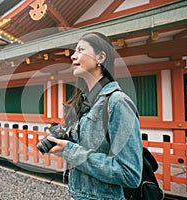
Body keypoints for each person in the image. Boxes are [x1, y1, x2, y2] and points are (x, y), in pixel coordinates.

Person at [47, 32, 143, 200]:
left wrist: (70, 151)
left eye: (80, 50)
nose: (73, 56)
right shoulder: (84, 102)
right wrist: (65, 143)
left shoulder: (118, 103)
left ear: (100, 57)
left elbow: (130, 173)